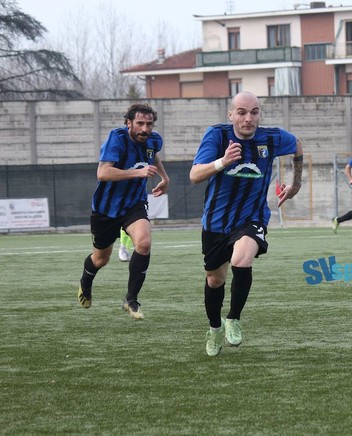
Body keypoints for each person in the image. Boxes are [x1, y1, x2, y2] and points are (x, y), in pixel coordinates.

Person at [190, 91, 303, 357]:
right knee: (215, 281)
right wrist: (222, 162)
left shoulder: (272, 138)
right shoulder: (217, 136)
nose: (248, 118)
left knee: (242, 260)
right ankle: (215, 328)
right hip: (216, 222)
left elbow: (297, 144)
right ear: (231, 115)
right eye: (242, 112)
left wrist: (296, 184)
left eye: (254, 112)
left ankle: (234, 318)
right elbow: (195, 175)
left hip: (251, 217)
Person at [77, 103, 170, 319]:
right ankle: (86, 281)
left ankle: (131, 299)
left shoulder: (153, 140)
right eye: (140, 124)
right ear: (128, 123)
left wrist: (165, 177)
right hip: (106, 208)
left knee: (144, 243)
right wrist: (137, 173)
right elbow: (103, 172)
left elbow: (153, 155)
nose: (145, 129)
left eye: (149, 124)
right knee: (101, 259)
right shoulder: (117, 138)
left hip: (134, 203)